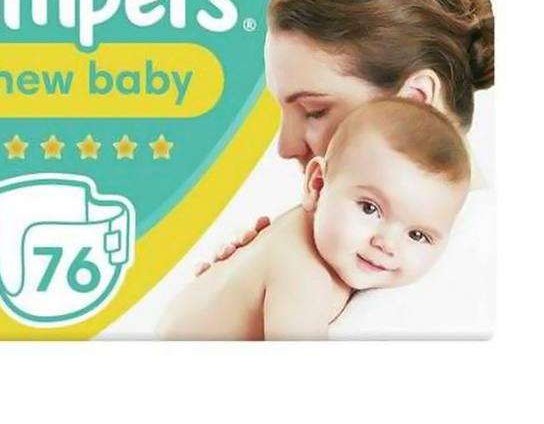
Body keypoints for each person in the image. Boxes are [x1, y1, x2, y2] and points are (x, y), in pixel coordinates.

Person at [193, 0, 494, 335]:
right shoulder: (348, 258)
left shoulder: (455, 287)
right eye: (369, 208)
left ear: (415, 100)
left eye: (314, 111)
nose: (285, 147)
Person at [158, 98, 470, 339]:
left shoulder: (328, 240)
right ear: (317, 184)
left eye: (417, 235)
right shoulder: (304, 276)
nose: (386, 244)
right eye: (369, 208)